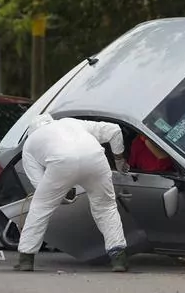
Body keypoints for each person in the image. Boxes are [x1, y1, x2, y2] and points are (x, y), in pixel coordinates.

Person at [15, 114, 130, 272]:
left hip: (60, 163)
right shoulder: (72, 122)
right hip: (95, 158)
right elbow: (115, 131)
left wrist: (62, 193)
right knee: (106, 207)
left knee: (40, 207)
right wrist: (119, 160)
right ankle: (119, 258)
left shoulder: (30, 143)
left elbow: (39, 183)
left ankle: (26, 259)